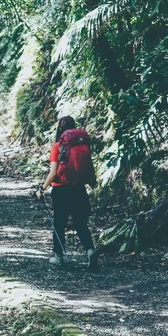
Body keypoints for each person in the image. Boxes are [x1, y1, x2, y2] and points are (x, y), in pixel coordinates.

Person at [38, 116, 99, 271]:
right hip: (79, 188)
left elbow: (53, 173)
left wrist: (41, 189)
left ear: (60, 128)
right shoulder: (81, 144)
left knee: (59, 223)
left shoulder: (57, 146)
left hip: (61, 189)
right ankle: (90, 250)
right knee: (80, 223)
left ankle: (58, 256)